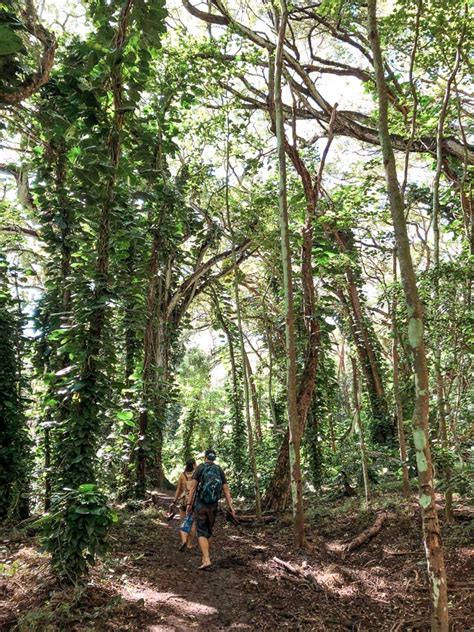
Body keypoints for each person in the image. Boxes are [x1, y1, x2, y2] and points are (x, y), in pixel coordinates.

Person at [186, 448, 236, 570]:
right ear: (215, 458)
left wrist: (189, 504)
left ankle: (207, 559)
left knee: (201, 531)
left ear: (205, 457)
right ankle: (205, 557)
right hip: (213, 505)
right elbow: (226, 489)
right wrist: (231, 506)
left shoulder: (200, 468)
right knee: (209, 531)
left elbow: (193, 488)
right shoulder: (219, 469)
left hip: (201, 504)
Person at [171, 458, 196, 551]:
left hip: (184, 501)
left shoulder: (182, 475)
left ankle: (184, 541)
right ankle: (189, 544)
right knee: (192, 523)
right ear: (193, 465)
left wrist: (174, 501)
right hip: (193, 501)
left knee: (183, 521)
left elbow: (178, 490)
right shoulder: (196, 475)